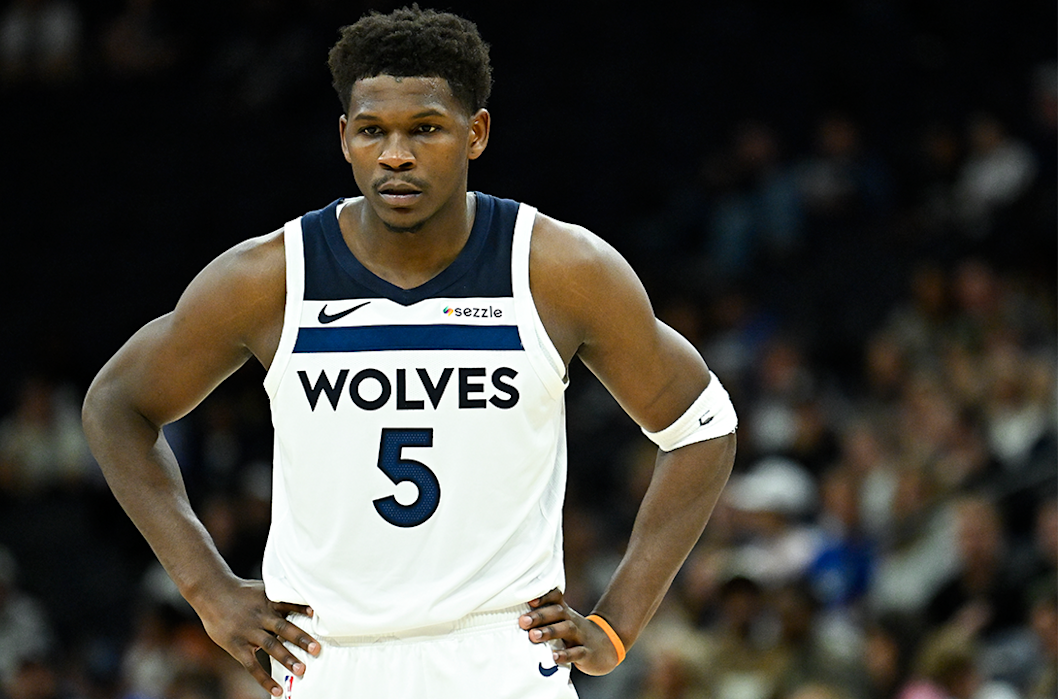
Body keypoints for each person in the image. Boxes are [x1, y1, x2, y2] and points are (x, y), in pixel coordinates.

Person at [82, 7, 737, 698]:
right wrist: (208, 589)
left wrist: (619, 620)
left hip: (500, 653)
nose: (396, 153)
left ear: (475, 133)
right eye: (373, 131)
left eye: (424, 128)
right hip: (328, 654)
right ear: (344, 138)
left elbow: (703, 425)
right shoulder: (271, 277)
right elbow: (116, 405)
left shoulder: (556, 268)